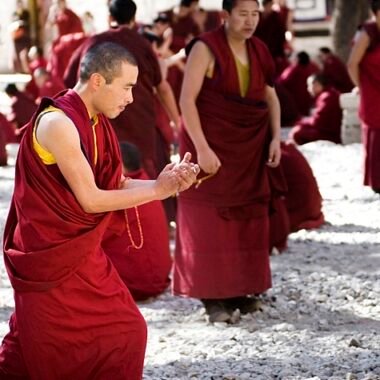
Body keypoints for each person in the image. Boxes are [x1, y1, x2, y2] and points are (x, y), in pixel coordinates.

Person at [0, 42, 199, 379]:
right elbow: (91, 199)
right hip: (48, 254)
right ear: (97, 81)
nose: (131, 98)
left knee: (125, 330)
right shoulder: (57, 124)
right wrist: (156, 191)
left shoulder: (95, 121)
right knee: (53, 348)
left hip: (79, 253)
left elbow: (116, 184)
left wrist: (166, 183)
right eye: (127, 87)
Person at [174, 0, 283, 323]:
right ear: (225, 16)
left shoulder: (259, 49)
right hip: (210, 143)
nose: (250, 21)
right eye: (243, 14)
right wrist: (202, 148)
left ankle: (240, 290)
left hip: (248, 148)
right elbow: (186, 100)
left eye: (255, 14)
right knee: (208, 218)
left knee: (246, 214)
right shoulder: (205, 49)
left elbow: (270, 95)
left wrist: (276, 137)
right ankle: (212, 296)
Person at [64, 0, 181, 179]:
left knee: (102, 172)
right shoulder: (142, 44)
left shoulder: (95, 42)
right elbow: (162, 86)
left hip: (101, 121)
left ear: (110, 17)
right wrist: (177, 122)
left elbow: (70, 78)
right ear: (134, 19)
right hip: (139, 122)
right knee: (142, 176)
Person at [103, 141, 172, 301]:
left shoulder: (121, 192)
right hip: (158, 278)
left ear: (120, 166)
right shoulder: (147, 183)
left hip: (135, 283)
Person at [347, 0, 380, 194]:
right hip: (372, 90)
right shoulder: (367, 32)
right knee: (377, 133)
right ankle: (377, 181)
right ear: (376, 12)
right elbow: (352, 63)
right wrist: (361, 86)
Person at [289, 73, 343, 145]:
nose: (308, 89)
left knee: (297, 132)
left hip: (330, 135)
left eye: (309, 85)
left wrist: (301, 122)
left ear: (317, 84)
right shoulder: (329, 93)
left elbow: (318, 121)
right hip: (329, 131)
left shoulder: (326, 97)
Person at [277, 51, 320, 116]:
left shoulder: (294, 69)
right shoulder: (308, 68)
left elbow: (281, 82)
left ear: (297, 59)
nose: (291, 58)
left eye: (293, 57)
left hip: (294, 98)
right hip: (305, 98)